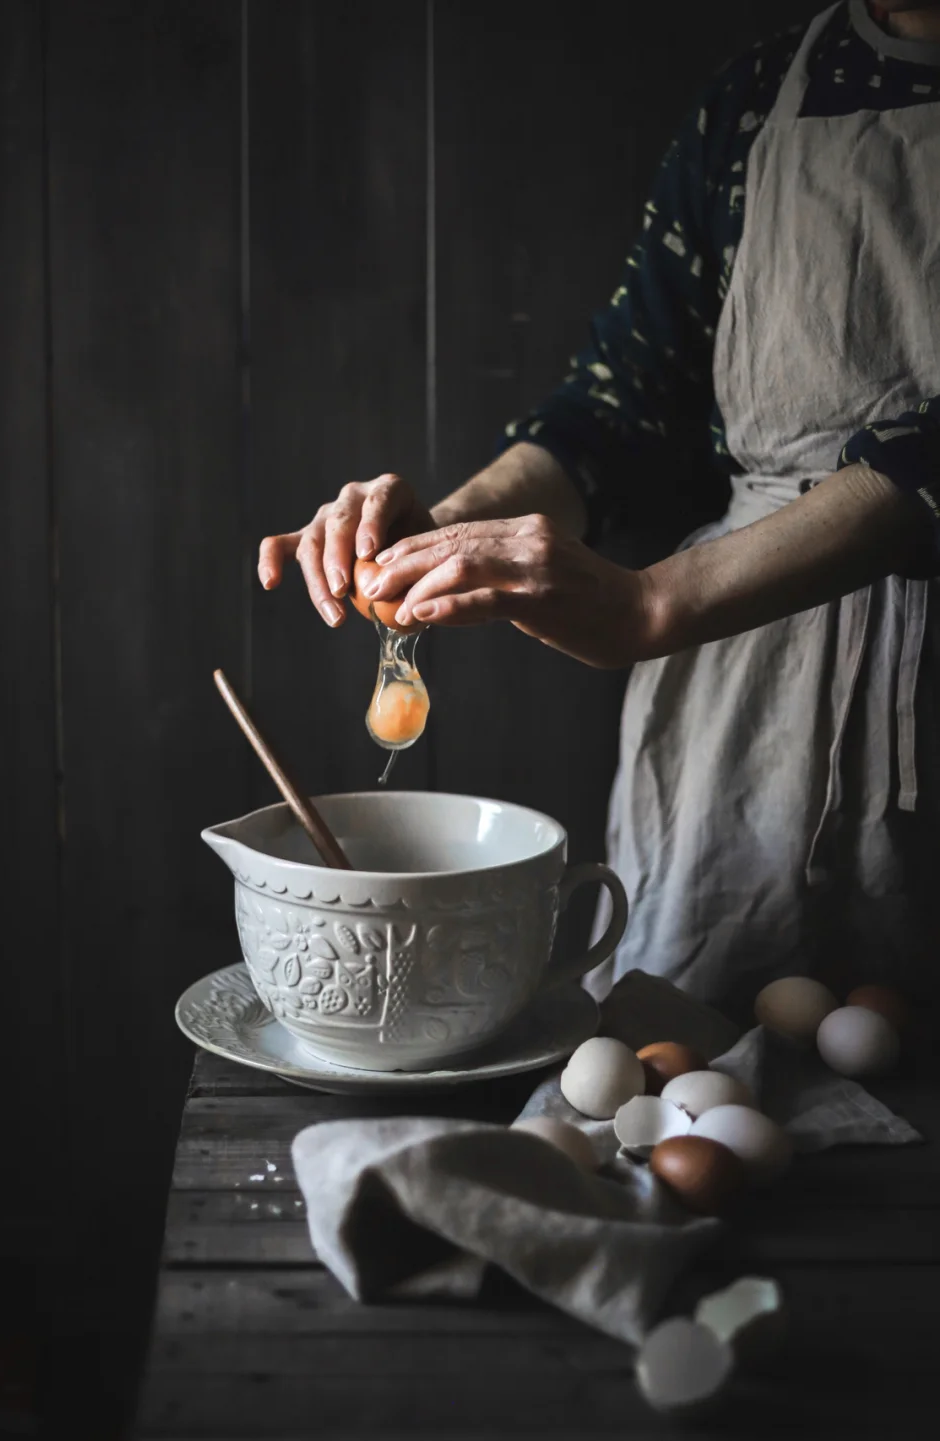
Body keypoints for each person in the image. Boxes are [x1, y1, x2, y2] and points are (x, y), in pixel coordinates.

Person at [258, 0, 940, 1025]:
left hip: (753, 623)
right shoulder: (757, 101)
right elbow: (615, 414)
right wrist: (449, 525)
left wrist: (653, 605)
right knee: (707, 1062)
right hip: (750, 713)